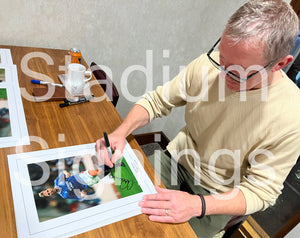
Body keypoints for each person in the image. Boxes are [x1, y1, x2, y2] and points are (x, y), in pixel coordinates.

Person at [96, 0, 300, 237]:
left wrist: (197, 205)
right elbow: (157, 101)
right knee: (109, 204)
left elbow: (261, 191)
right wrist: (120, 132)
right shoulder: (208, 65)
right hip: (175, 161)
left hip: (217, 195)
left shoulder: (291, 116)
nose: (223, 74)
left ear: (280, 64)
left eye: (237, 72)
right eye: (222, 59)